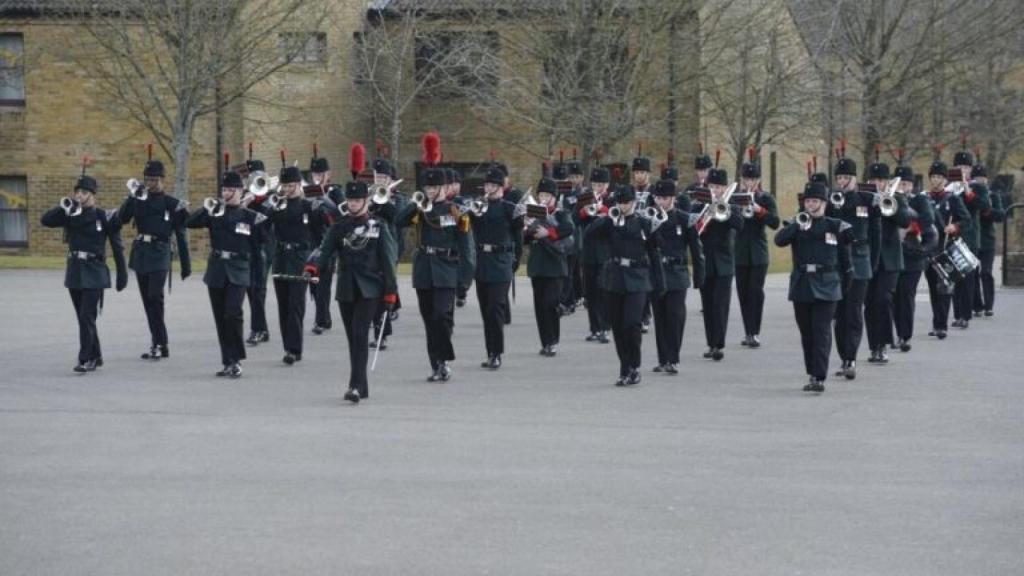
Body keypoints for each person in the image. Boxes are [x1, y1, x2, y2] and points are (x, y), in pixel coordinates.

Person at [305, 178, 398, 403]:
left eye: (358, 200)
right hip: (346, 288)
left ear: (366, 201)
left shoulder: (378, 226)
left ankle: (354, 385)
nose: (354, 204)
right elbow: (325, 250)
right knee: (352, 339)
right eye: (351, 200)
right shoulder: (339, 226)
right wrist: (312, 267)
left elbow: (388, 261)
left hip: (370, 289)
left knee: (359, 334)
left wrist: (390, 293)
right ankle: (361, 386)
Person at [395, 134, 471, 381]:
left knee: (441, 316)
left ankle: (445, 360)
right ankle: (436, 364)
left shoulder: (454, 211)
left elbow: (465, 245)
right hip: (424, 269)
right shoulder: (419, 208)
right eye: (426, 188)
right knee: (429, 319)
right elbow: (398, 221)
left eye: (433, 188)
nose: (429, 191)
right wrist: (415, 205)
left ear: (442, 188)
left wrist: (464, 280)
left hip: (447, 268)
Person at [40, 170, 127, 373]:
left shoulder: (102, 216)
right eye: (77, 192)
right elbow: (45, 220)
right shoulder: (70, 214)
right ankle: (96, 356)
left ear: (92, 194)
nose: (79, 195)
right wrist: (64, 208)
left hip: (95, 272)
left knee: (87, 316)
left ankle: (86, 358)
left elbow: (117, 246)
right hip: (75, 272)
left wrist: (122, 274)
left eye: (83, 192)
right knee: (83, 316)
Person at [186, 166, 267, 378]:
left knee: (233, 313)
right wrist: (209, 207)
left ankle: (237, 358)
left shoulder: (250, 217)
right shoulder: (215, 213)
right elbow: (190, 222)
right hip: (217, 270)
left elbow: (258, 249)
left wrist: (257, 279)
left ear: (241, 191)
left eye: (231, 189)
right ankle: (227, 361)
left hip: (239, 270)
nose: (227, 193)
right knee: (220, 317)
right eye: (224, 189)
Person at [257, 157, 338, 365]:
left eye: (291, 186)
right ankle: (288, 346)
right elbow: (262, 229)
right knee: (283, 306)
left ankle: (294, 349)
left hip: (301, 259)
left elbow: (329, 224)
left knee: (295, 306)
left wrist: (323, 205)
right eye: (284, 186)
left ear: (299, 186)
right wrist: (269, 207)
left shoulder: (308, 206)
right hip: (281, 258)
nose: (287, 190)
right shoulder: (276, 206)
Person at [775, 181, 853, 393]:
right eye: (808, 201)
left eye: (815, 201)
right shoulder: (797, 224)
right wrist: (796, 225)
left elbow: (846, 260)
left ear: (824, 203)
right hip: (802, 285)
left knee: (821, 332)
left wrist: (844, 288)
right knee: (807, 333)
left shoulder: (835, 226)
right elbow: (779, 240)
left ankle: (819, 376)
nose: (810, 205)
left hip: (827, 284)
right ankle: (811, 372)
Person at [585, 185, 664, 386]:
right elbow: (588, 234)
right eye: (619, 202)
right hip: (615, 278)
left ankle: (635, 366)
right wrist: (606, 218)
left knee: (632, 324)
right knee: (618, 326)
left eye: (626, 202)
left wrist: (659, 281)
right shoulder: (610, 222)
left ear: (634, 203)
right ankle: (624, 367)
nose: (623, 206)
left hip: (638, 279)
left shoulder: (643, 223)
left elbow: (654, 251)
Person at [118, 150, 191, 360]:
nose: (150, 183)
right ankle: (158, 343)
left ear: (162, 180)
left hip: (160, 253)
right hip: (141, 252)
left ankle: (160, 342)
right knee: (147, 301)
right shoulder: (138, 199)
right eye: (147, 179)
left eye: (154, 179)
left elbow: (181, 233)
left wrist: (185, 265)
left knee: (154, 297)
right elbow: (122, 219)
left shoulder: (170, 203)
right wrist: (131, 198)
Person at [828, 143, 877, 379]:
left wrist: (873, 263)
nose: (843, 182)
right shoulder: (831, 200)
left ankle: (851, 358)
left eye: (847, 177)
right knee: (838, 313)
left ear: (855, 178)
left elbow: (875, 234)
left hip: (859, 261)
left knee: (854, 311)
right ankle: (842, 357)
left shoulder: (865, 200)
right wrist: (834, 207)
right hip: (837, 263)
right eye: (839, 177)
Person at [470, 166, 523, 369]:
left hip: (501, 262)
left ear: (501, 187)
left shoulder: (509, 208)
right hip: (482, 261)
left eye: (493, 185)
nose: (488, 188)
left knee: (495, 308)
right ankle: (490, 351)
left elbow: (518, 240)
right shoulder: (478, 207)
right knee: (486, 310)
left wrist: (513, 262)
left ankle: (497, 352)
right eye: (487, 184)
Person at [863, 153, 914, 364]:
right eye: (873, 180)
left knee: (883, 300)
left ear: (886, 181)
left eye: (881, 180)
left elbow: (904, 221)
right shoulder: (864, 198)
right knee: (869, 303)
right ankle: (873, 346)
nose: (876, 183)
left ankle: (883, 345)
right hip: (868, 257)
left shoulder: (898, 198)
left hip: (890, 260)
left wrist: (889, 204)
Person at [650, 179, 704, 374]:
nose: (660, 202)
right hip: (657, 273)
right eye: (657, 198)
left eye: (664, 198)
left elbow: (696, 250)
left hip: (677, 273)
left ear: (672, 198)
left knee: (675, 316)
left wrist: (699, 276)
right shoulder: (650, 218)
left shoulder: (684, 218)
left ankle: (673, 358)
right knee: (660, 317)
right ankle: (663, 359)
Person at [693, 166, 743, 361]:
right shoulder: (699, 205)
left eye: (719, 186)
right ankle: (710, 343)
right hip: (705, 262)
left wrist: (724, 211)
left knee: (720, 305)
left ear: (725, 188)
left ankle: (718, 344)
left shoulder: (732, 205)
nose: (715, 190)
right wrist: (706, 215)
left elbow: (739, 225)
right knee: (708, 304)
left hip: (724, 262)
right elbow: (693, 228)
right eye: (712, 186)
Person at [734, 149, 780, 348]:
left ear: (758, 180)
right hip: (740, 252)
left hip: (759, 253)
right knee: (743, 292)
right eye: (746, 179)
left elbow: (775, 222)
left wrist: (761, 211)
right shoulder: (735, 197)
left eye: (752, 179)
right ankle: (747, 331)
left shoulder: (765, 198)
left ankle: (754, 332)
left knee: (755, 292)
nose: (749, 183)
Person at [525, 177, 575, 357]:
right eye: (541, 195)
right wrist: (526, 229)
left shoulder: (561, 213)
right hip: (538, 266)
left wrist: (549, 232)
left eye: (547, 195)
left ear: (554, 197)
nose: (544, 198)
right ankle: (545, 341)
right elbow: (525, 240)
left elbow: (569, 229)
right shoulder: (534, 213)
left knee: (550, 304)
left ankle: (553, 341)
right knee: (540, 306)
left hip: (555, 266)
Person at [924, 160, 971, 340]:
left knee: (944, 287)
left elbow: (967, 220)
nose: (936, 180)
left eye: (939, 177)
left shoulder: (952, 198)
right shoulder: (924, 198)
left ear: (945, 179)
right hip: (929, 250)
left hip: (946, 248)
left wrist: (955, 227)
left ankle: (941, 325)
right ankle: (936, 323)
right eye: (933, 177)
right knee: (933, 289)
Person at [893, 162, 937, 352]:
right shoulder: (891, 199)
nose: (903, 187)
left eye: (906, 184)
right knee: (894, 296)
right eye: (900, 183)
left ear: (911, 185)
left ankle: (905, 335)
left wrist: (912, 227)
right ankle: (897, 332)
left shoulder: (920, 200)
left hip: (913, 255)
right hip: (894, 255)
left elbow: (928, 219)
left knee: (907, 295)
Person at [950, 145, 991, 329]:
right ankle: (957, 313)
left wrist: (968, 191)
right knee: (955, 277)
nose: (962, 170)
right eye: (959, 166)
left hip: (970, 236)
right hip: (953, 236)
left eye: (966, 167)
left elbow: (983, 206)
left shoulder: (977, 187)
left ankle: (965, 315)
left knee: (967, 277)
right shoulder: (950, 187)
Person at [575, 167, 615, 343]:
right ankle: (594, 328)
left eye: (601, 184)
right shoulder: (584, 198)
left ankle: (605, 328)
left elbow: (618, 219)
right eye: (595, 184)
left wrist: (604, 209)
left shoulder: (613, 199)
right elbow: (573, 219)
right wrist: (584, 211)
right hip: (589, 251)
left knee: (604, 291)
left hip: (606, 251)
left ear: (607, 185)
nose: (598, 187)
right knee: (590, 292)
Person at [308, 150, 343, 335]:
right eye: (315, 174)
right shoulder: (307, 192)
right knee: (313, 283)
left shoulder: (335, 192)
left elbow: (342, 214)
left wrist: (325, 200)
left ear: (328, 175)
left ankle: (320, 320)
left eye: (321, 174)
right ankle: (324, 316)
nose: (317, 177)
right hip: (311, 242)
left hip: (329, 242)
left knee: (323, 282)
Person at [243, 156, 274, 346]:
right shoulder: (245, 198)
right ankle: (261, 328)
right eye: (250, 176)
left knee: (258, 289)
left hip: (264, 247)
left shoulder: (269, 200)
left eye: (257, 176)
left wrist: (257, 201)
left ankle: (258, 329)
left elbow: (266, 221)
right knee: (250, 289)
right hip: (246, 246)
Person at [971, 162, 1004, 317]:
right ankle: (976, 305)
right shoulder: (969, 195)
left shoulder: (992, 195)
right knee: (973, 273)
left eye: (982, 178)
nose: (979, 181)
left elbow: (1000, 215)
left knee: (986, 272)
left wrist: (987, 211)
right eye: (976, 178)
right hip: (972, 239)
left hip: (988, 240)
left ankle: (988, 305)